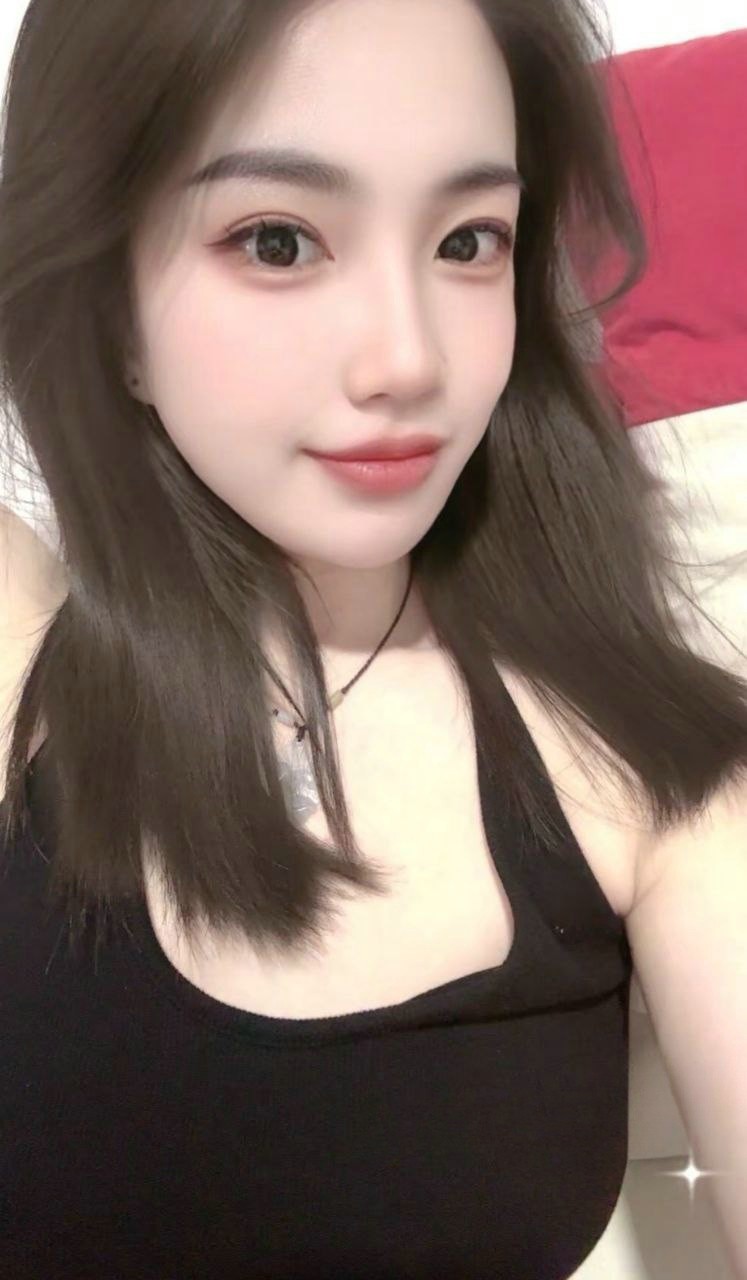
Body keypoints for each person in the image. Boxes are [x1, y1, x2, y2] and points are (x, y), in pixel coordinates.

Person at [0, 1, 745, 1277]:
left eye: (468, 240)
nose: (409, 359)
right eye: (278, 240)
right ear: (109, 307)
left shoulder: (657, 776)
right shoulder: (26, 658)